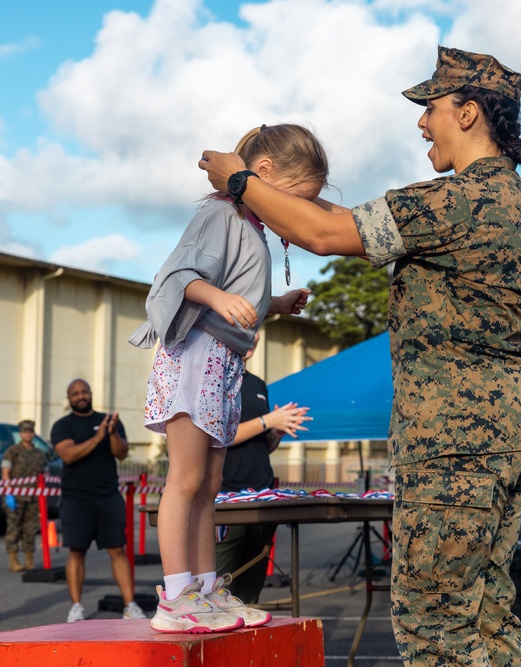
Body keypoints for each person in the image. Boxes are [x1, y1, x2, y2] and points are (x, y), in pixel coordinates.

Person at [200, 46, 521, 667]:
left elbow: (325, 235)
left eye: (431, 109)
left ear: (468, 114)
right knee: (484, 614)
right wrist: (279, 195)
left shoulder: (463, 199)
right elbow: (343, 218)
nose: (421, 123)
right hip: (498, 427)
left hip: (458, 434)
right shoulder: (500, 197)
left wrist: (240, 180)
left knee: (436, 621)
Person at [129, 123, 325, 634]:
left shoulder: (251, 225)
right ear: (260, 175)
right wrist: (216, 297)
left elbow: (238, 292)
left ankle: (206, 589)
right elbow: (174, 278)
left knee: (210, 484)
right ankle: (176, 596)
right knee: (187, 481)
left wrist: (275, 305)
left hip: (223, 364)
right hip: (195, 358)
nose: (294, 213)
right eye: (294, 198)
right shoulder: (219, 212)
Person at [51, 378, 146, 623]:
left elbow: (121, 453)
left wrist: (111, 433)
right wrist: (97, 438)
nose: (81, 396)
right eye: (75, 393)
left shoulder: (109, 422)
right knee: (77, 552)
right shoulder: (63, 426)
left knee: (117, 550)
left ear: (91, 394)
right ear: (69, 398)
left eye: (84, 392)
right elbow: (68, 455)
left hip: (108, 496)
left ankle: (130, 605)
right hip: (76, 498)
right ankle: (76, 607)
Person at [214, 368, 310, 603]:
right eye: (248, 328)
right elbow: (216, 433)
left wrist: (275, 433)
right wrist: (267, 421)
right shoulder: (214, 376)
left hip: (262, 495)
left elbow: (261, 445)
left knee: (250, 593)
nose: (253, 334)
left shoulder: (257, 384)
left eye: (256, 329)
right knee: (218, 591)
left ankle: (245, 636)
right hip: (227, 496)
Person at [1, 419, 47, 572]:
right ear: (20, 434)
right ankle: (13, 560)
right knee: (14, 528)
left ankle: (29, 559)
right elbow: (5, 472)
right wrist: (9, 493)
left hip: (33, 497)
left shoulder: (39, 453)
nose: (28, 434)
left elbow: (44, 475)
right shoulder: (12, 452)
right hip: (16, 496)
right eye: (25, 431)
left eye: (31, 431)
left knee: (30, 529)